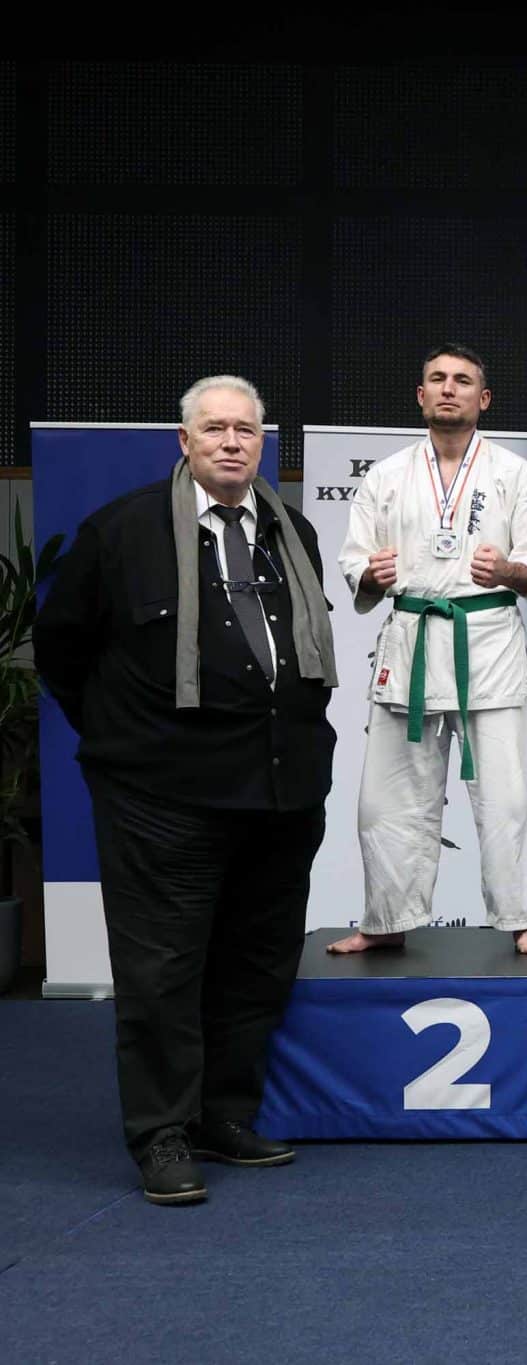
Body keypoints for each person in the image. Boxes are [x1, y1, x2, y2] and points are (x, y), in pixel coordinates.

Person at [35, 375, 338, 1205]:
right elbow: (62, 647)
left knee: (255, 962)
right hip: (161, 797)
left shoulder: (293, 530)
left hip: (279, 794)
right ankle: (161, 1132)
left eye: (246, 430)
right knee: (163, 970)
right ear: (185, 441)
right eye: (215, 429)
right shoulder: (122, 531)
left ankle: (224, 1115)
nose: (232, 442)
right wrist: (129, 740)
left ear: (262, 443)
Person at [328, 345, 527, 955]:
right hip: (411, 645)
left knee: (508, 798)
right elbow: (355, 560)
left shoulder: (515, 475)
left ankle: (522, 919)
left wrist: (508, 571)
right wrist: (370, 575)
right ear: (421, 395)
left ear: (484, 399)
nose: (448, 388)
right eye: (437, 379)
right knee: (386, 801)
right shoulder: (385, 476)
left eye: (462, 380)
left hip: (488, 648)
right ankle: (385, 921)